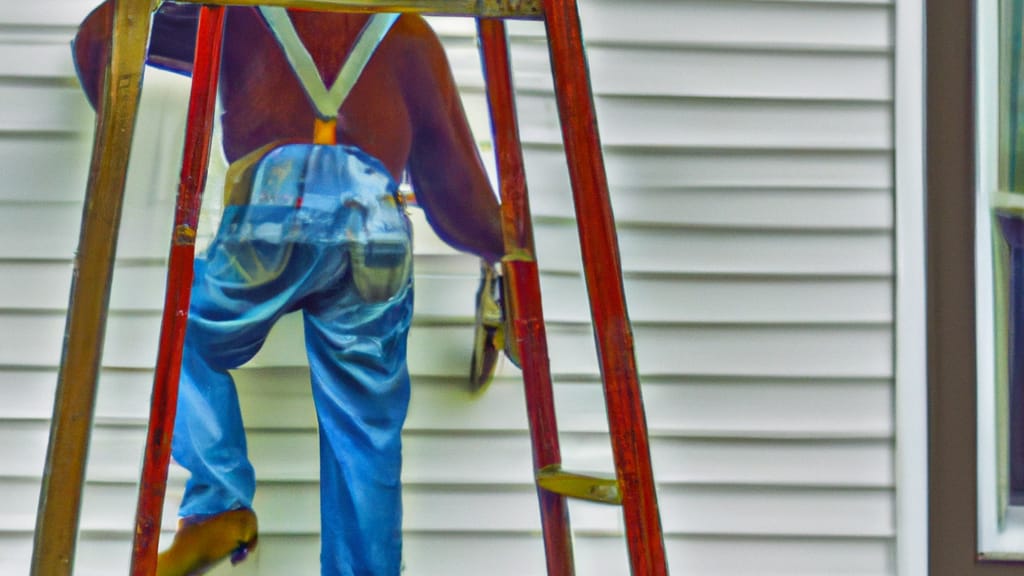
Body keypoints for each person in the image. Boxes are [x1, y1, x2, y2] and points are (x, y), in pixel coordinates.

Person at [73, 3, 505, 575]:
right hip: (377, 228)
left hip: (277, 210)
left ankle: (218, 506)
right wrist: (509, 258)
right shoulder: (408, 35)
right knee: (365, 430)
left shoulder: (240, 15)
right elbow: (460, 203)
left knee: (186, 332)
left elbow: (102, 38)